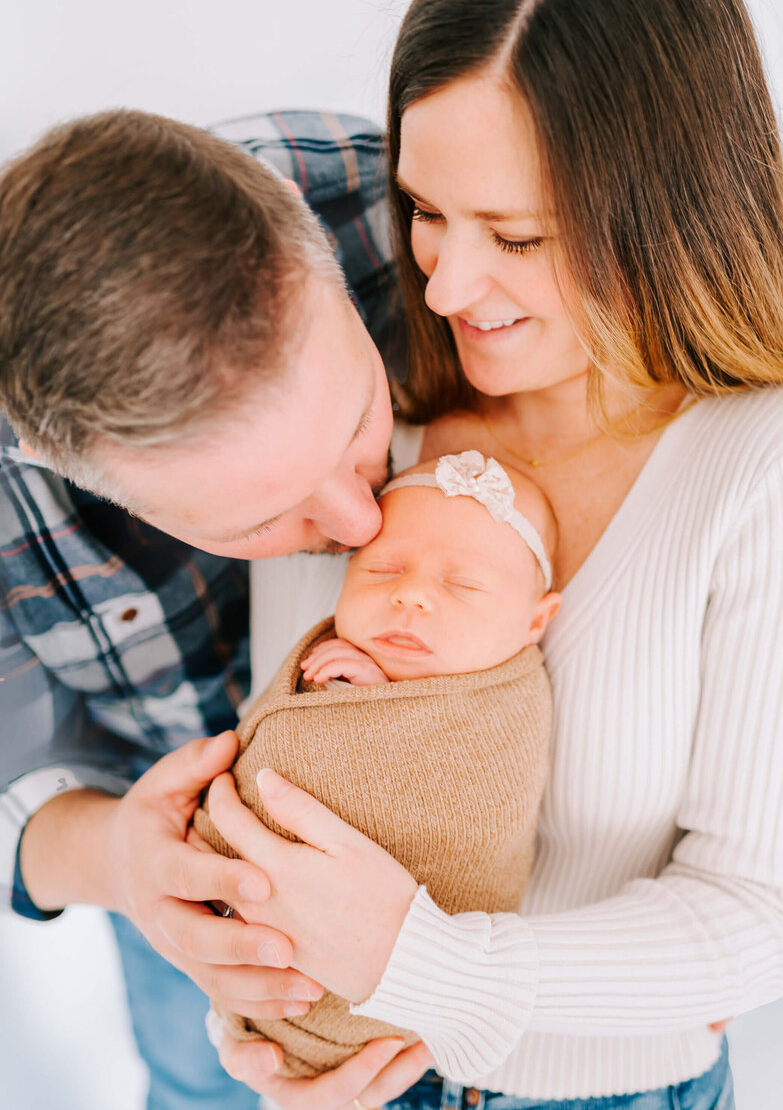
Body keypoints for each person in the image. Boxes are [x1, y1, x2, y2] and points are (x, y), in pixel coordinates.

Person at [202, 0, 783, 1110]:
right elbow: (276, 768)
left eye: (515, 236)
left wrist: (426, 966)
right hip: (345, 1106)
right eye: (425, 212)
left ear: (668, 209)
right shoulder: (363, 434)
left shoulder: (759, 463)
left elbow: (756, 913)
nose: (442, 284)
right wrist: (249, 1000)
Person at [0, 107, 424, 1110]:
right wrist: (130, 864)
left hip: (437, 800)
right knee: (194, 1088)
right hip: (165, 846)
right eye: (260, 518)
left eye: (359, 417)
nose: (360, 520)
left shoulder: (394, 197)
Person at [193, 450, 559, 1076]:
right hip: (248, 982)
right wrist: (361, 690)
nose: (411, 595)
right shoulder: (342, 647)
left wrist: (368, 699)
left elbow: (449, 800)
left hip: (422, 1021)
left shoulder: (502, 710)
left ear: (536, 620)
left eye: (463, 585)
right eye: (382, 570)